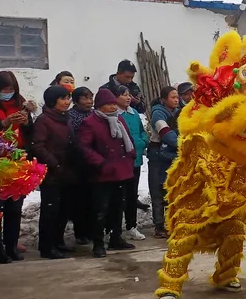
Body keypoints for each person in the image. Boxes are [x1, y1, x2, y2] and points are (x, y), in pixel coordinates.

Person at [0, 71, 34, 262]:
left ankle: (11, 246)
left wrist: (26, 122)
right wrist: (4, 123)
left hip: (16, 160)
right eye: (5, 89)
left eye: (11, 89)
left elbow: (29, 132)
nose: (8, 93)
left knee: (15, 207)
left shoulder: (20, 102)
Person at [77, 88, 136, 257]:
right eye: (108, 104)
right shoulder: (90, 122)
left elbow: (128, 140)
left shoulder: (119, 120)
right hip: (102, 174)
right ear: (100, 106)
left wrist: (130, 156)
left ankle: (116, 238)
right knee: (100, 210)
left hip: (121, 171)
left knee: (119, 207)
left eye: (113, 104)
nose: (113, 107)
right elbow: (84, 147)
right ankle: (98, 243)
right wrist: (101, 163)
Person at [31, 85, 77, 259]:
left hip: (67, 170)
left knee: (63, 210)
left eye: (68, 98)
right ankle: (46, 246)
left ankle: (58, 241)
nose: (67, 102)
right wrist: (54, 162)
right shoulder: (44, 120)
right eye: (63, 99)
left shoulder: (65, 118)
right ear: (52, 101)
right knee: (51, 210)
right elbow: (38, 146)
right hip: (52, 172)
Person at [116, 85, 150, 240]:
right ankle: (114, 229)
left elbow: (143, 132)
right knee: (118, 197)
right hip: (121, 161)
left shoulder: (134, 113)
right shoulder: (115, 115)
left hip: (135, 161)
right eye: (124, 95)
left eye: (129, 95)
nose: (128, 97)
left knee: (131, 195)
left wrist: (142, 142)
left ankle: (132, 226)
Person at [147, 86, 179, 239]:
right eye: (173, 97)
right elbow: (166, 134)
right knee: (158, 190)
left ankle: (171, 222)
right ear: (164, 99)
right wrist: (182, 143)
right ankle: (159, 225)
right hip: (158, 155)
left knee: (171, 189)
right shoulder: (158, 114)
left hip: (171, 155)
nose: (176, 100)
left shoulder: (177, 112)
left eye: (177, 97)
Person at [66, 87, 94, 245]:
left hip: (93, 162)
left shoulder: (95, 114)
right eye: (85, 98)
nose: (89, 101)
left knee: (92, 199)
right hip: (77, 163)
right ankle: (80, 232)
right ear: (76, 101)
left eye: (91, 98)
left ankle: (91, 230)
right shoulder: (70, 117)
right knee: (79, 199)